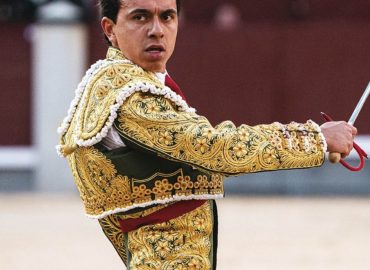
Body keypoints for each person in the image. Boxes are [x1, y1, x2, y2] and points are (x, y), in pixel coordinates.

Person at [57, 0, 357, 269]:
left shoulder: (120, 81)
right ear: (110, 29)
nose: (157, 30)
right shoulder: (131, 96)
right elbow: (212, 147)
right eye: (140, 17)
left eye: (167, 17)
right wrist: (314, 138)